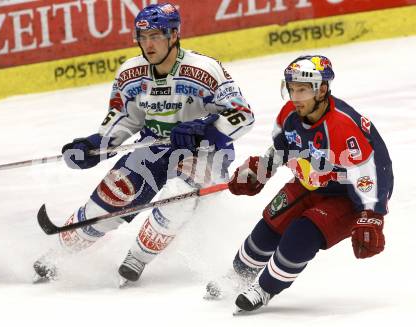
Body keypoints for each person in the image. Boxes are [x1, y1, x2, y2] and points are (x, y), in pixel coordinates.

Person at [33, 3, 254, 284]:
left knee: (179, 196)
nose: (148, 44)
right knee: (113, 195)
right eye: (143, 37)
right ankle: (59, 254)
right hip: (153, 146)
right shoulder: (130, 73)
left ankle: (137, 257)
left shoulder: (205, 69)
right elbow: (125, 119)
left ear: (173, 35)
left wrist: (203, 128)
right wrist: (96, 145)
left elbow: (243, 115)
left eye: (156, 36)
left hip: (205, 150)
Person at [226, 55, 393, 313]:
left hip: (347, 196)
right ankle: (236, 277)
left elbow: (371, 171)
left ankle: (265, 288)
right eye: (292, 88)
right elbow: (282, 149)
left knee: (302, 234)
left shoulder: (343, 125)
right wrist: (260, 170)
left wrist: (371, 215)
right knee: (267, 229)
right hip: (309, 183)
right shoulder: (288, 115)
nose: (295, 96)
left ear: (322, 89)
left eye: (302, 89)